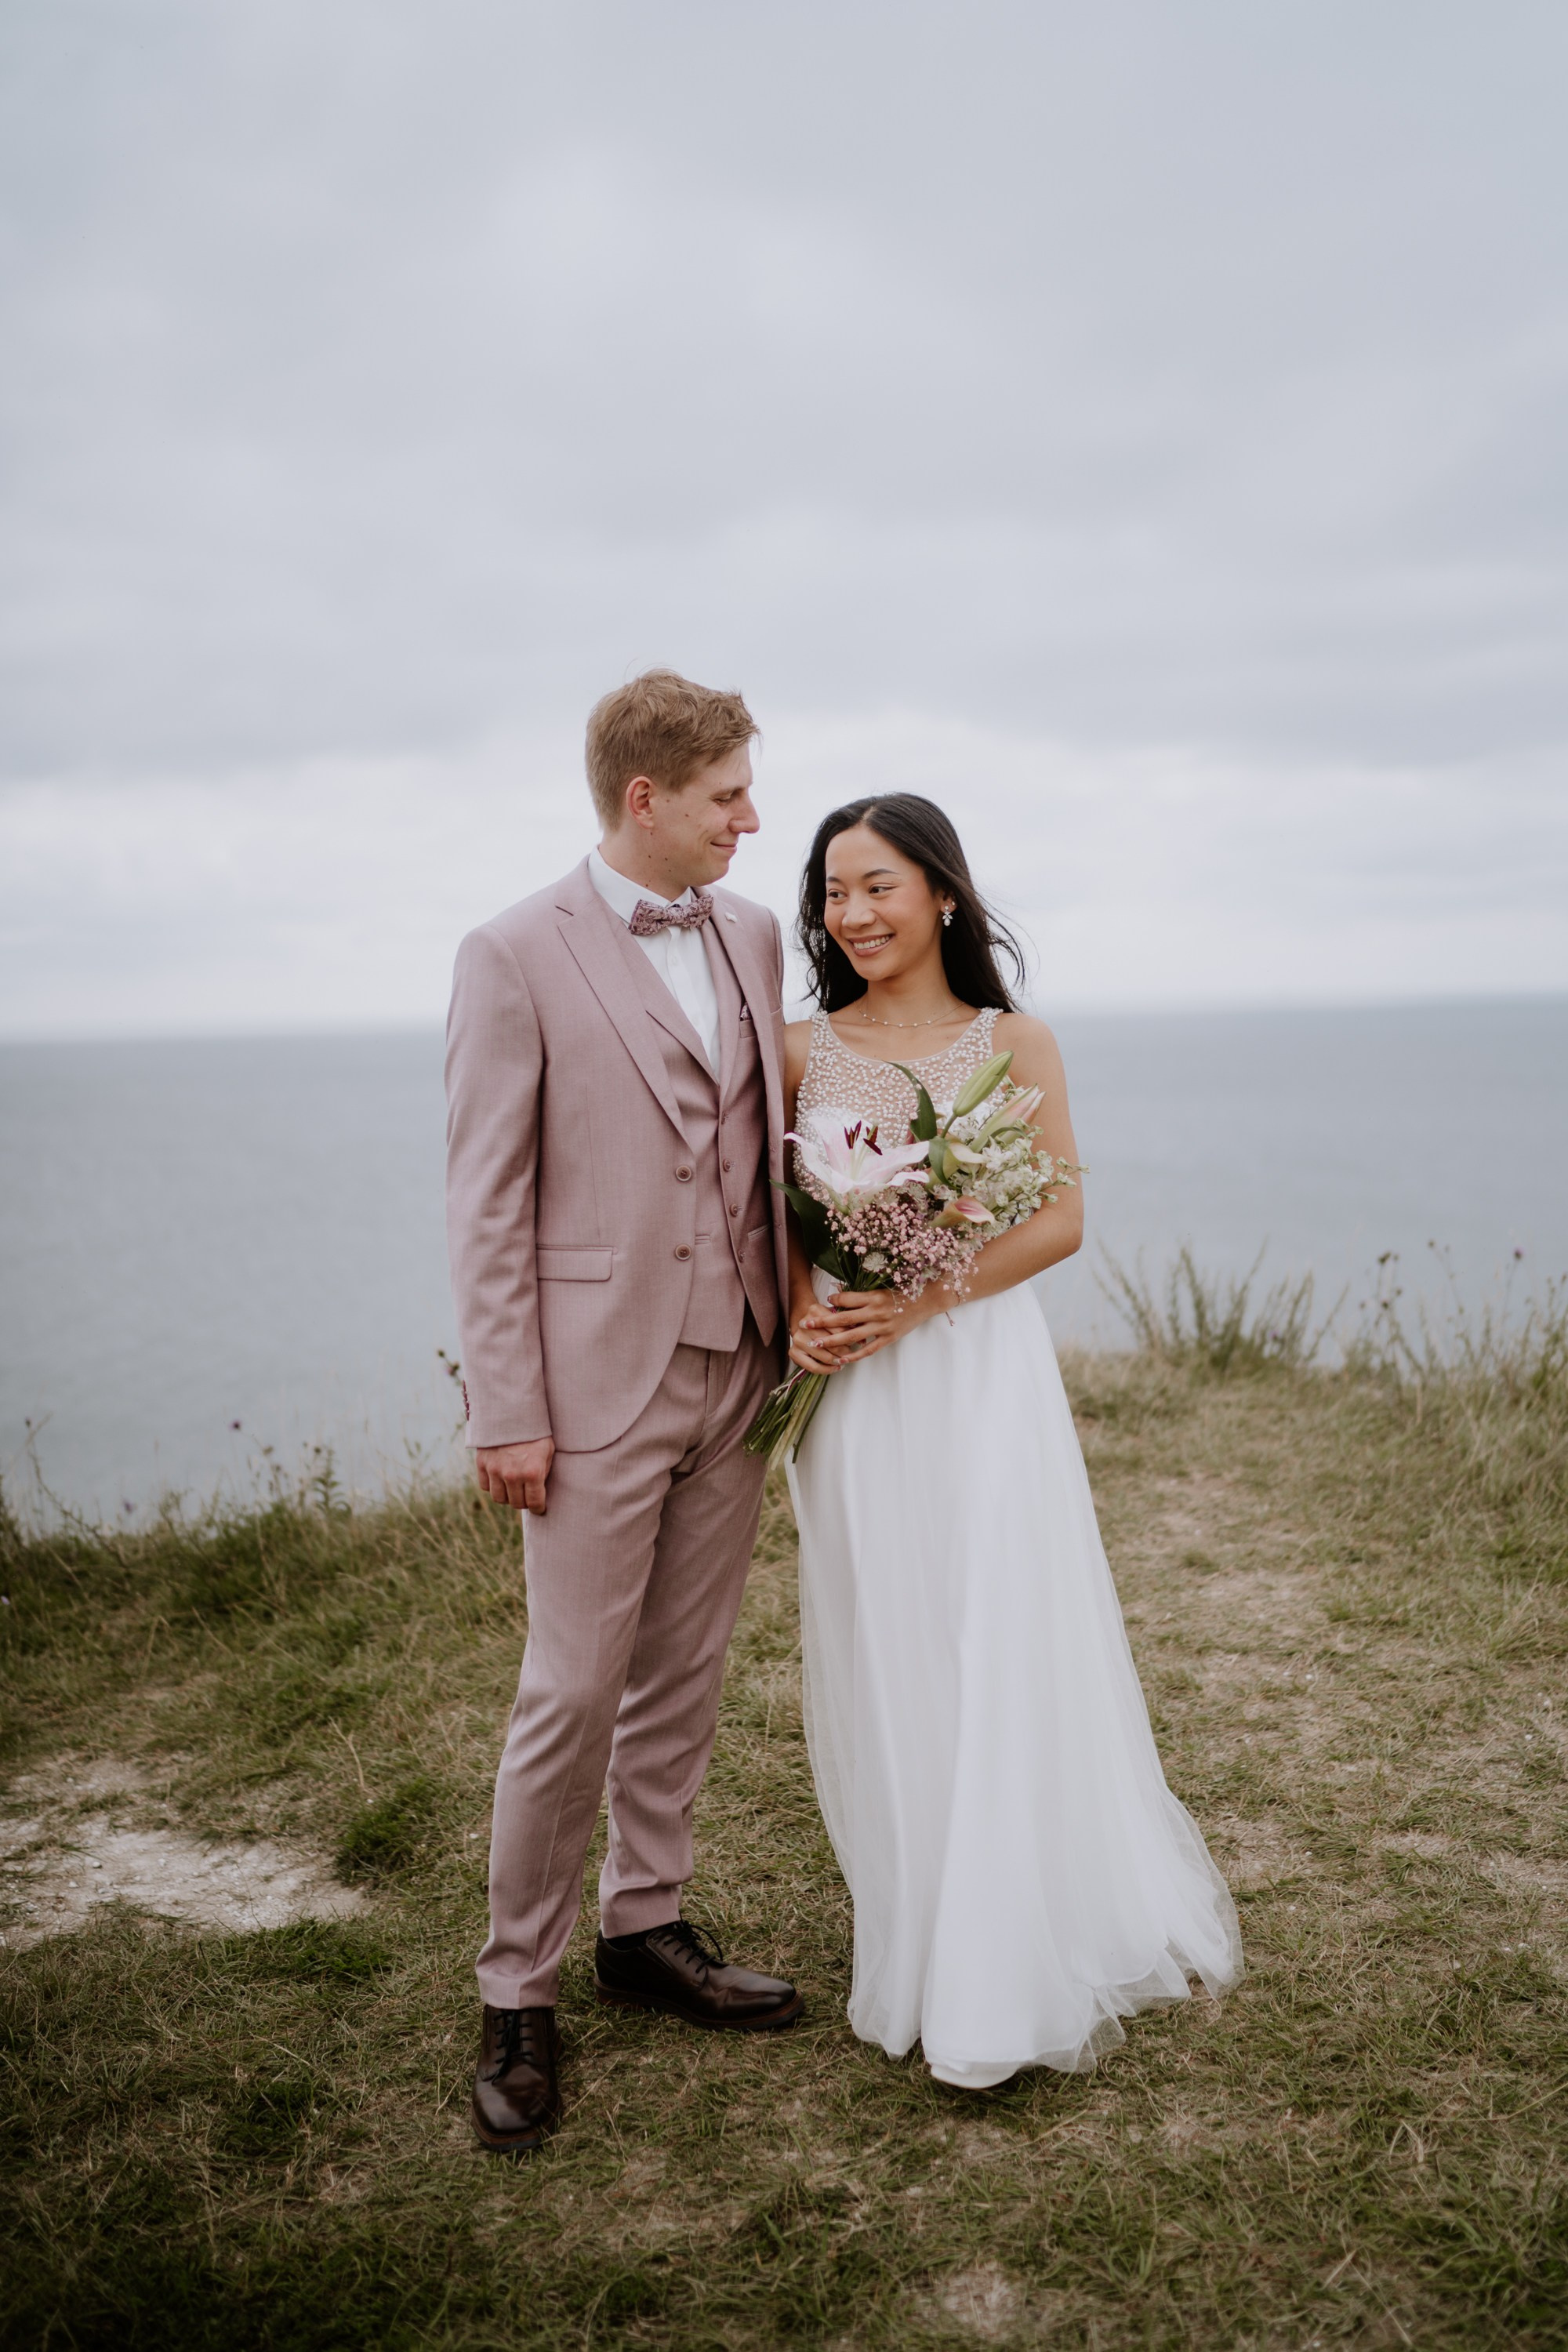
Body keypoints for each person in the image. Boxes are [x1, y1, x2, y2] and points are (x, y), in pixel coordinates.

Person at [783, 795, 1243, 2089]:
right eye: (832, 893)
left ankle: (1006, 1950)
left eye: (877, 886)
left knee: (993, 1625)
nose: (853, 914)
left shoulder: (1014, 1039)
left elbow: (1060, 1221)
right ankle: (925, 1917)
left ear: (942, 893)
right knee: (892, 1637)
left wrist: (917, 1296)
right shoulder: (797, 1048)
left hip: (977, 1370)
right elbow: (763, 1208)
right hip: (853, 1393)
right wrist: (805, 1309)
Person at [445, 670, 802, 2157]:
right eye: (728, 794)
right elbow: (486, 1201)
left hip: (740, 1364)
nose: (751, 818)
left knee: (685, 1670)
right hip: (591, 1386)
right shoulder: (512, 952)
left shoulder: (754, 932)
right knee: (571, 1689)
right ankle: (516, 1993)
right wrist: (506, 1409)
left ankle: (643, 1925)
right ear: (644, 798)